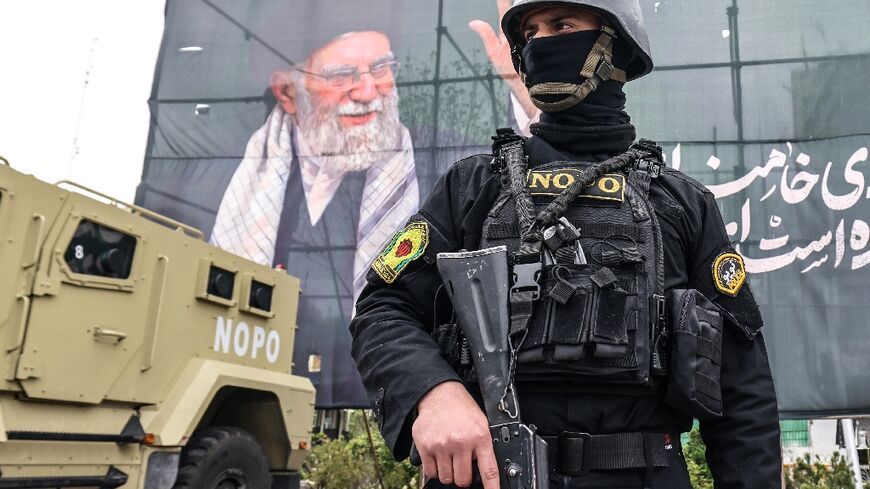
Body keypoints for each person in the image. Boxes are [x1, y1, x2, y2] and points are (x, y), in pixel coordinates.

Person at [350, 1, 782, 488]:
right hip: (491, 474)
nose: (540, 44)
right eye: (530, 33)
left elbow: (742, 391)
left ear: (615, 44)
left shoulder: (680, 202)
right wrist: (433, 391)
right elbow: (383, 307)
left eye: (562, 25)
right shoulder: (473, 187)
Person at [210, 29, 418, 407]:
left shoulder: (444, 158)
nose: (367, 91)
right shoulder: (219, 175)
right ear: (287, 93)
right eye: (341, 75)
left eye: (380, 68)